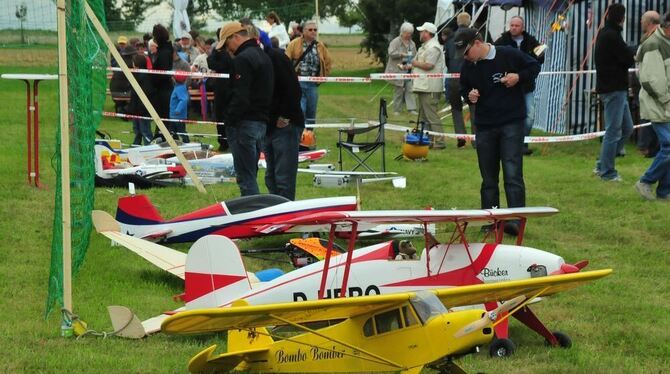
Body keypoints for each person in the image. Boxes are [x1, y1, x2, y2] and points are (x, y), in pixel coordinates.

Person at [456, 28, 540, 235]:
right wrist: (470, 95)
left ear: (477, 43)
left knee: (512, 174)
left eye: (467, 52)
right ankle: (490, 219)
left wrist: (518, 77)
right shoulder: (468, 65)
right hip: (484, 125)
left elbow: (534, 65)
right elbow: (463, 88)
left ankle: (516, 221)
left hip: (511, 122)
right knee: (488, 177)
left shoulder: (508, 54)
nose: (466, 58)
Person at [219, 22, 274, 196]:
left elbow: (241, 96)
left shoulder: (242, 59)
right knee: (251, 173)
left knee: (245, 177)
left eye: (227, 44)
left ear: (235, 37)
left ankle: (252, 215)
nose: (228, 49)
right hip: (260, 123)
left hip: (244, 123)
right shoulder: (263, 55)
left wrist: (229, 119)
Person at [260, 25, 305, 200]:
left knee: (283, 177)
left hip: (285, 124)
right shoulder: (260, 61)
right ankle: (275, 214)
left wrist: (284, 116)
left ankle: (286, 216)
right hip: (269, 125)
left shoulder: (277, 58)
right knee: (270, 177)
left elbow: (293, 90)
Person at [593, 3, 635, 182]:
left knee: (627, 128)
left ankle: (603, 163)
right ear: (622, 18)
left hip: (614, 88)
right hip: (613, 89)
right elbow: (627, 59)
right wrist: (631, 51)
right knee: (613, 131)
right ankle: (607, 172)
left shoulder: (605, 33)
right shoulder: (612, 36)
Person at [494, 16, 544, 156]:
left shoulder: (531, 41)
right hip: (507, 88)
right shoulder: (502, 41)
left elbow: (539, 60)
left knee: (529, 116)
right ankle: (507, 143)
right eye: (512, 25)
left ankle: (522, 143)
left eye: (517, 25)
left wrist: (539, 55)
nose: (514, 27)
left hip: (526, 85)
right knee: (507, 117)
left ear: (522, 27)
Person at [634, 12, 670, 201]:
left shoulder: (664, 42)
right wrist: (666, 101)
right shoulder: (653, 45)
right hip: (658, 104)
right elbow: (650, 80)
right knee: (669, 146)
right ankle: (646, 181)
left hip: (664, 104)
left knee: (667, 147)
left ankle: (664, 191)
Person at [285, 20, 332, 127]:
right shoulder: (294, 44)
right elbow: (286, 61)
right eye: (310, 30)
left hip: (313, 85)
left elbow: (328, 62)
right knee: (300, 111)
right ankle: (299, 136)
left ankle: (309, 138)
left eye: (315, 30)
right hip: (298, 84)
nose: (313, 32)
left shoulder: (320, 46)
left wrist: (322, 76)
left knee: (311, 114)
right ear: (304, 31)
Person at [411, 22, 446, 149]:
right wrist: (410, 65)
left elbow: (429, 65)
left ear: (427, 33)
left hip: (430, 87)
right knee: (425, 116)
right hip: (423, 85)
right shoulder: (424, 47)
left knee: (432, 116)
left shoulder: (434, 48)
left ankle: (440, 141)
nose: (420, 33)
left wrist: (414, 63)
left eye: (422, 31)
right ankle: (430, 140)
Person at [445, 12, 475, 149]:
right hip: (470, 76)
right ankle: (476, 139)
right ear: (469, 22)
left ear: (457, 22)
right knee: (474, 107)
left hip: (453, 76)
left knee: (456, 108)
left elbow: (447, 60)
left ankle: (461, 137)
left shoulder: (450, 38)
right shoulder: (474, 35)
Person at [636, 11, 661, 158]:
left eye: (642, 20)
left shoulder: (655, 39)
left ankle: (648, 147)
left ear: (650, 22)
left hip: (653, 85)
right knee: (650, 116)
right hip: (649, 85)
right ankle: (650, 148)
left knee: (654, 117)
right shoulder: (648, 38)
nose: (640, 22)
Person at [208, 27, 233, 152]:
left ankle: (232, 140)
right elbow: (210, 62)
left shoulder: (233, 48)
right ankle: (223, 142)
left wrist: (221, 66)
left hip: (232, 85)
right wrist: (222, 67)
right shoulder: (217, 48)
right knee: (219, 114)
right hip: (219, 87)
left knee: (231, 113)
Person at [385, 22, 417, 116]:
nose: (409, 35)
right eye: (407, 33)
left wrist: (412, 62)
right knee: (398, 90)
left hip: (408, 70)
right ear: (402, 32)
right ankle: (397, 110)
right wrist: (401, 54)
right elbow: (391, 53)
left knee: (409, 89)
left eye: (410, 33)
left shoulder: (412, 43)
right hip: (397, 70)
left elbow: (415, 55)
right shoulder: (395, 42)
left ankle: (411, 109)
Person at [149, 24, 174, 142]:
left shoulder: (164, 52)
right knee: (161, 115)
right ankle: (160, 135)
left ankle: (164, 137)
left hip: (163, 89)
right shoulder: (165, 50)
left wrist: (153, 80)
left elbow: (162, 73)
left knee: (163, 115)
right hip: (162, 88)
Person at [127, 54, 155, 145]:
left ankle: (148, 147)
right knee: (137, 130)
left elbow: (147, 92)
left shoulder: (145, 76)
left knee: (145, 130)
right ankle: (136, 146)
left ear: (136, 64)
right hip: (136, 108)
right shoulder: (135, 75)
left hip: (143, 109)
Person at [169, 71, 190, 143]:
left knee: (181, 131)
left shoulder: (179, 88)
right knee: (173, 132)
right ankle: (176, 143)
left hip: (178, 116)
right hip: (174, 116)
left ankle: (186, 142)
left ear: (175, 79)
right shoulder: (179, 87)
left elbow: (184, 99)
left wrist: (178, 109)